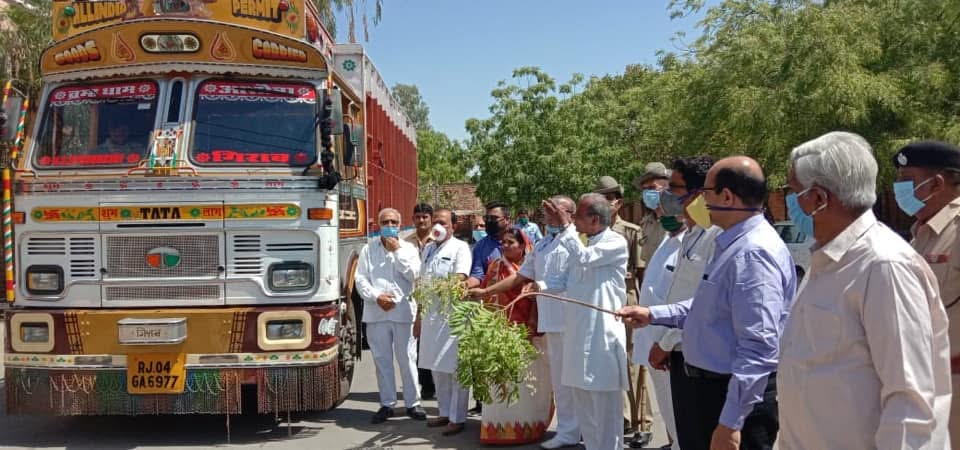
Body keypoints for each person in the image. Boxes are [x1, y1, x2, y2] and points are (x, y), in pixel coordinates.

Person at [775, 132, 952, 449]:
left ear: (819, 199)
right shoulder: (827, 261)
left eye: (793, 192)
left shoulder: (884, 266)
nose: (790, 203)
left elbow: (910, 403)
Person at [619, 156, 796, 450]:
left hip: (729, 396)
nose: (701, 200)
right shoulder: (731, 243)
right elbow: (706, 305)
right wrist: (653, 314)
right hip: (707, 389)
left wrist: (730, 423)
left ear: (727, 197)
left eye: (706, 192)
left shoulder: (753, 253)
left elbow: (758, 347)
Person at [467, 195, 580, 450]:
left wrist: (566, 227)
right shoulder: (543, 245)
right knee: (560, 381)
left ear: (570, 215)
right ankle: (568, 432)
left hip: (572, 319)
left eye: (556, 211)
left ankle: (584, 430)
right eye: (547, 212)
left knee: (576, 379)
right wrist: (486, 292)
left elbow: (580, 265)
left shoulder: (578, 239)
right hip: (551, 322)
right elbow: (521, 277)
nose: (549, 215)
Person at [542, 193, 629, 450]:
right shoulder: (582, 242)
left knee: (604, 412)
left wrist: (564, 225)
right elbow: (565, 281)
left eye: (577, 216)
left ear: (594, 219)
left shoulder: (614, 242)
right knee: (585, 409)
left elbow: (584, 258)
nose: (573, 221)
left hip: (602, 337)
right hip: (577, 335)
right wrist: (538, 286)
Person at [644, 155, 719, 449]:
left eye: (673, 188)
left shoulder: (717, 237)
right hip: (677, 351)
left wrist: (665, 341)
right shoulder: (692, 234)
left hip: (698, 355)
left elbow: (700, 302)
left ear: (698, 194)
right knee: (685, 434)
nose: (666, 196)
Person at [893, 140, 960, 449]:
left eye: (907, 180)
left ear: (937, 183)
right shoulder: (922, 232)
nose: (899, 189)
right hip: (926, 381)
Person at [476, 227, 553, 445]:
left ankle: (527, 427)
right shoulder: (495, 266)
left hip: (525, 330)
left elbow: (536, 298)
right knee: (498, 381)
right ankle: (496, 428)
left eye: (511, 242)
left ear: (522, 245)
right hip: (498, 330)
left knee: (525, 381)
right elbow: (487, 295)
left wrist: (532, 324)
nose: (506, 245)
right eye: (504, 242)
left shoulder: (530, 268)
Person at [592, 176, 651, 440]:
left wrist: (643, 306)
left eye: (607, 198)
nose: (602, 203)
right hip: (600, 298)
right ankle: (621, 416)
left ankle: (640, 421)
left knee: (630, 360)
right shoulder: (590, 232)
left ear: (618, 202)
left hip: (625, 296)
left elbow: (641, 272)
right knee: (607, 357)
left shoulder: (630, 231)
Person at [354, 208, 426, 424]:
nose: (390, 225)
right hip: (377, 312)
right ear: (379, 224)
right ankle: (387, 403)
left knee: (407, 359)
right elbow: (360, 279)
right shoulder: (368, 249)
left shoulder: (409, 249)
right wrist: (376, 297)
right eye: (385, 222)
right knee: (382, 360)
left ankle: (413, 403)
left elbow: (414, 274)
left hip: (403, 312)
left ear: (400, 224)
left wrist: (397, 252)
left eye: (394, 222)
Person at [631, 163, 684, 450]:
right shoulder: (665, 239)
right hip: (656, 343)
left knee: (682, 419)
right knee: (673, 418)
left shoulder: (691, 242)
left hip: (671, 346)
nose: (659, 211)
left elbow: (690, 300)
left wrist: (665, 342)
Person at [417, 208, 472, 436]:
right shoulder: (428, 249)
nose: (438, 226)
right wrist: (418, 317)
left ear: (453, 226)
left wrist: (444, 287)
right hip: (431, 316)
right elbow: (422, 281)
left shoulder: (461, 247)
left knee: (455, 368)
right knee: (437, 367)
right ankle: (444, 412)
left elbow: (461, 276)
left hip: (452, 316)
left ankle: (458, 418)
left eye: (443, 223)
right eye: (436, 222)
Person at [405, 203, 436, 400]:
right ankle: (426, 384)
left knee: (434, 340)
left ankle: (437, 381)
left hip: (434, 296)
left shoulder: (438, 241)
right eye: (418, 217)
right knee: (416, 342)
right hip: (412, 296)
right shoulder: (406, 243)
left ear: (431, 219)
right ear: (413, 219)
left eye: (425, 217)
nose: (421, 220)